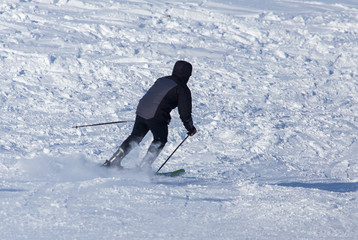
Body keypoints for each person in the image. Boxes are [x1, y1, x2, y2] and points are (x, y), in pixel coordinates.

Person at [103, 60, 197, 169]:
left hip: (141, 110)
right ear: (187, 75)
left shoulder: (163, 79)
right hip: (156, 115)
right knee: (160, 139)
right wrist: (190, 128)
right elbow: (185, 113)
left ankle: (114, 160)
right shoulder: (182, 89)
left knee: (135, 136)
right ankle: (143, 168)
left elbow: (156, 97)